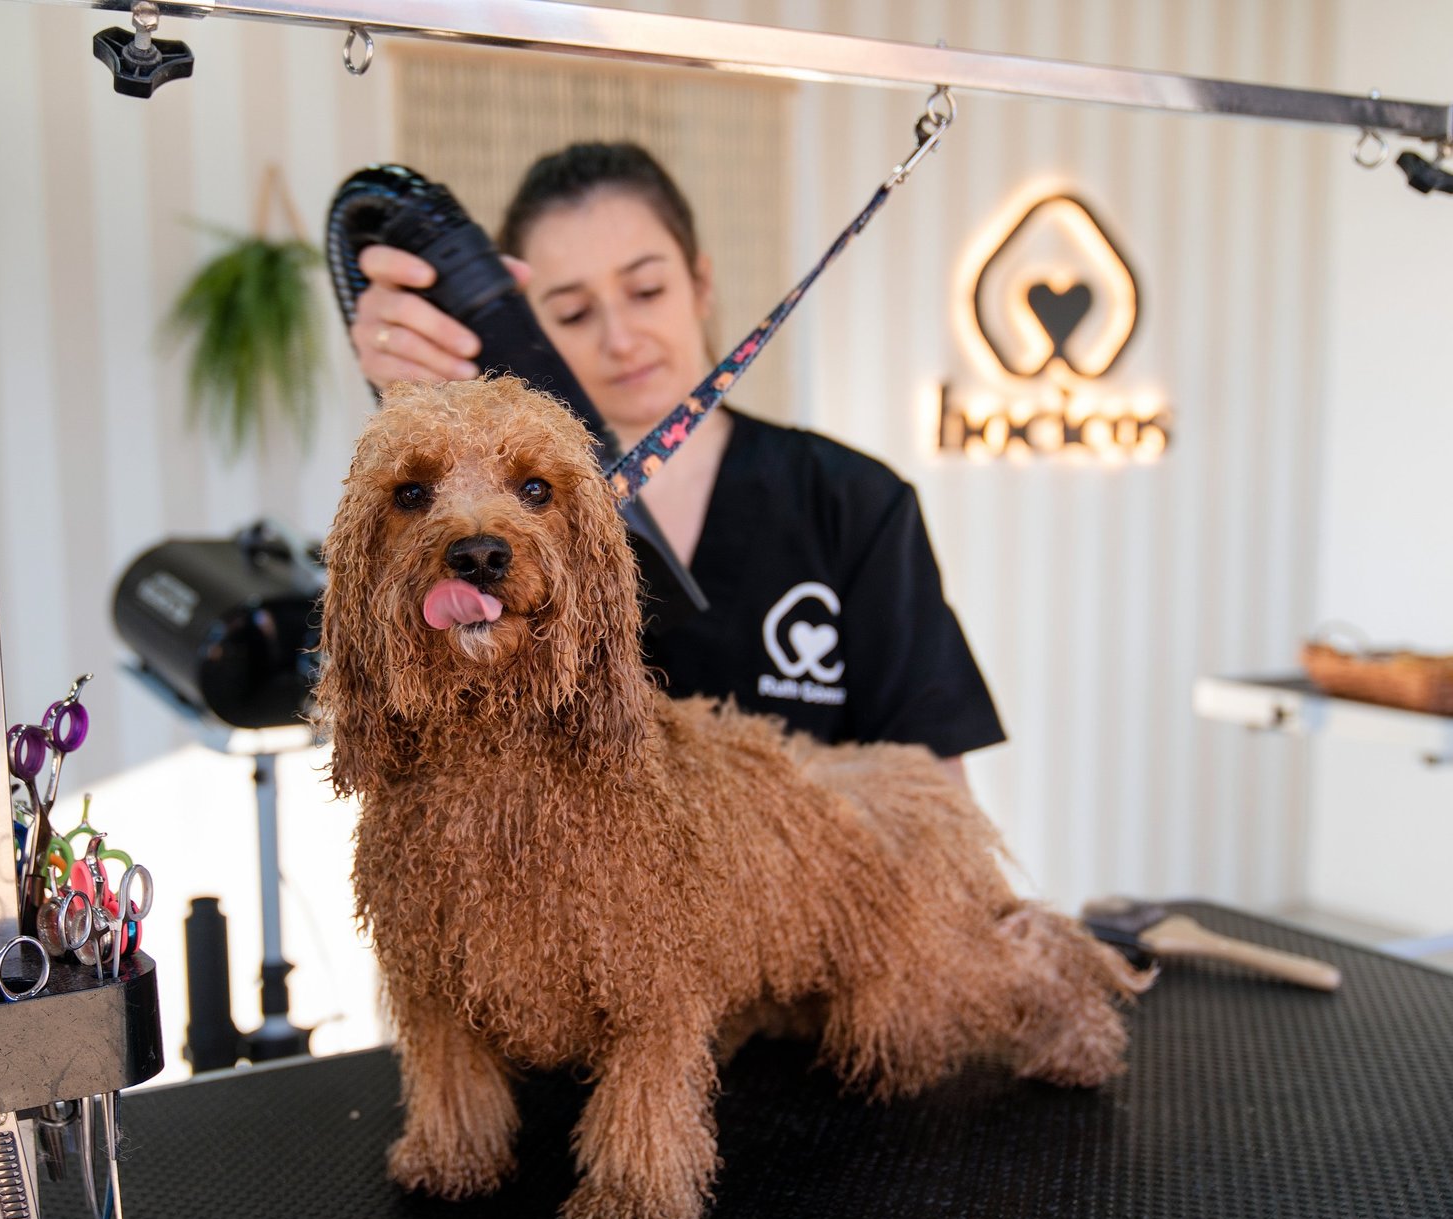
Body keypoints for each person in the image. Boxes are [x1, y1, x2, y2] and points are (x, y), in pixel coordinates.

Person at [346, 142, 1002, 779]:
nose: (621, 339)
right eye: (573, 313)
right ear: (530, 334)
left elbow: (932, 794)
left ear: (700, 283)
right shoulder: (491, 527)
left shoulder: (852, 501)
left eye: (647, 290)